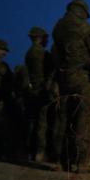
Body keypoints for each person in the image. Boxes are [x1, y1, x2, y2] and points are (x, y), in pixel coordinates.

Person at [52, 0, 90, 173]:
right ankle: (82, 161)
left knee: (63, 118)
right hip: (83, 77)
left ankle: (60, 161)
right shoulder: (84, 28)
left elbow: (55, 53)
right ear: (81, 11)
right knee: (86, 117)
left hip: (64, 76)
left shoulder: (58, 28)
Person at [25, 27, 52, 161]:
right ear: (40, 38)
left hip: (33, 90)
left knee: (33, 122)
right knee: (41, 123)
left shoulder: (29, 53)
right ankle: (40, 152)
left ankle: (30, 151)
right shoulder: (40, 53)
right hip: (40, 90)